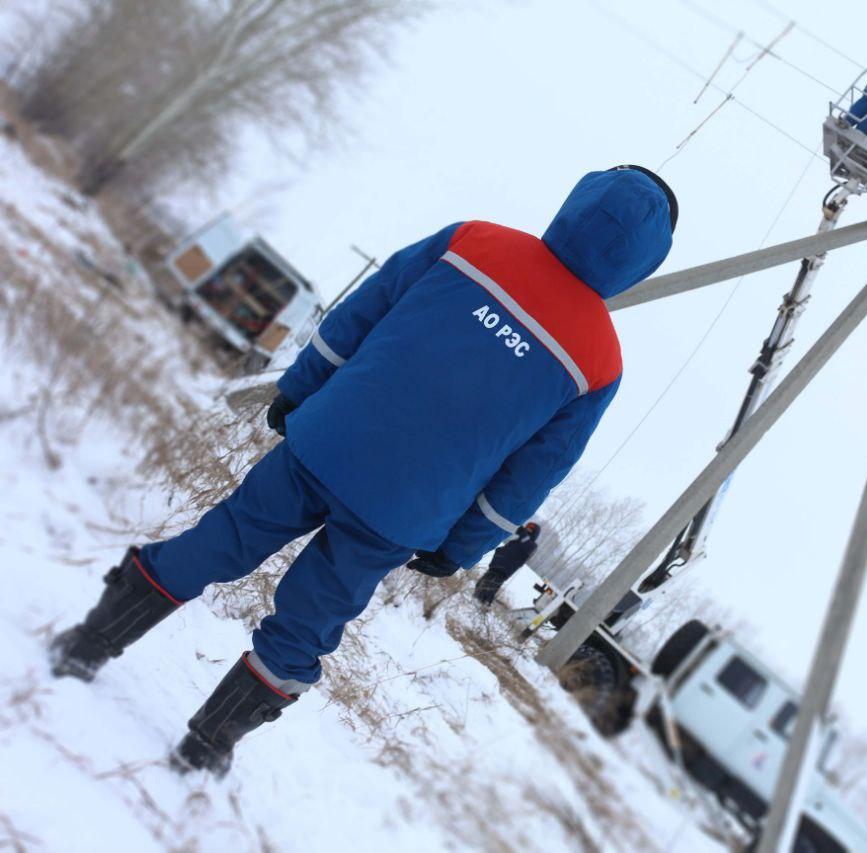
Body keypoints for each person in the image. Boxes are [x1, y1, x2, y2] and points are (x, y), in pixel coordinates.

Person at [49, 164, 677, 777]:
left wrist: (300, 387)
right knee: (309, 623)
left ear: (576, 200)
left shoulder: (473, 241)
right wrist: (461, 545)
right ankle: (206, 748)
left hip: (326, 440)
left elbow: (361, 312)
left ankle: (85, 647)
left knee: (221, 541)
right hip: (404, 511)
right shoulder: (599, 361)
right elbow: (533, 474)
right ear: (646, 262)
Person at [471, 521, 540, 606]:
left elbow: (527, 545)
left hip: (504, 570)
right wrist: (499, 552)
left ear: (534, 533)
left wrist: (523, 534)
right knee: (482, 583)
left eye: (530, 530)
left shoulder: (531, 545)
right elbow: (506, 548)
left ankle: (483, 603)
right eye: (527, 528)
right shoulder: (518, 540)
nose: (527, 530)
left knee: (489, 588)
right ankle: (477, 600)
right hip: (496, 565)